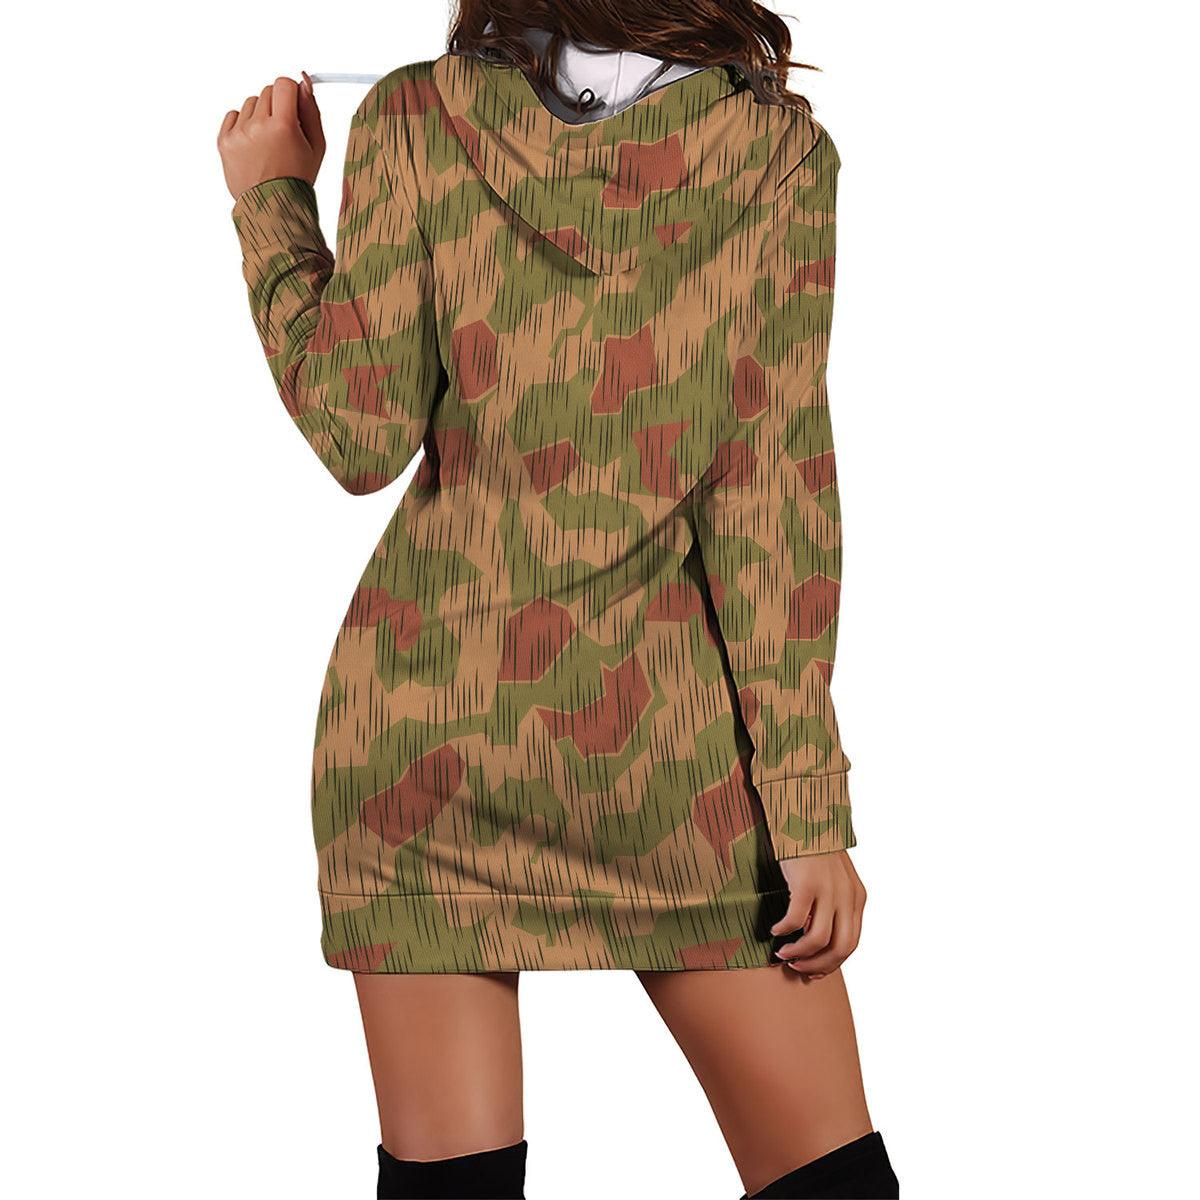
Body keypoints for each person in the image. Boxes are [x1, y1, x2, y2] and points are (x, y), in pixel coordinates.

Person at [217, 2, 898, 1196]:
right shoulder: (778, 155)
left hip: (426, 743)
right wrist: (806, 804)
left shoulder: (416, 117)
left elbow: (361, 432)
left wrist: (273, 200)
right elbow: (769, 493)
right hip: (670, 758)